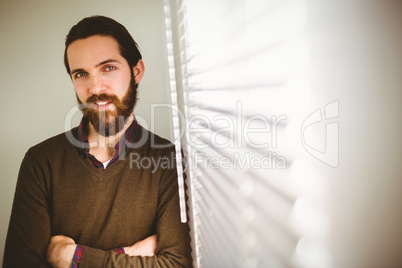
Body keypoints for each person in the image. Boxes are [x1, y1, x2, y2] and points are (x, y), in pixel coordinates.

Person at [3, 15, 192, 268]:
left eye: (108, 68)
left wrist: (70, 258)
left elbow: (176, 265)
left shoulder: (167, 160)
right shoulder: (41, 163)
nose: (95, 87)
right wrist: (130, 253)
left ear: (136, 72)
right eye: (81, 74)